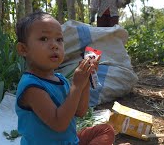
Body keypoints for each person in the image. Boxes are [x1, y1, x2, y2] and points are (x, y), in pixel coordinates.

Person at [15, 11, 115, 145]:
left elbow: (80, 111)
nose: (54, 45)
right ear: (23, 49)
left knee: (105, 130)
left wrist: (85, 80)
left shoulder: (60, 79)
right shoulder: (31, 86)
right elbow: (59, 123)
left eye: (59, 39)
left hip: (69, 141)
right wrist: (76, 85)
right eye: (44, 39)